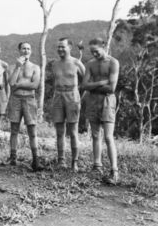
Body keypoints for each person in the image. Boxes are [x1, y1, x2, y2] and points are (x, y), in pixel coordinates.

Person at [82, 37, 120, 184]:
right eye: (92, 52)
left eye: (96, 51)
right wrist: (101, 82)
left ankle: (114, 171)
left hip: (107, 100)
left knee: (108, 137)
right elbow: (84, 85)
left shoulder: (113, 62)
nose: (94, 54)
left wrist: (93, 85)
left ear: (104, 46)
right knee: (96, 135)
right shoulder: (90, 64)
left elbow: (111, 88)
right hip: (93, 101)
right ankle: (97, 166)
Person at [50, 37, 85, 172]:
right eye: (58, 47)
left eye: (62, 47)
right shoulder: (54, 64)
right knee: (59, 132)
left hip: (72, 96)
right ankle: (61, 161)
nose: (60, 49)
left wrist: (80, 96)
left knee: (73, 132)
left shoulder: (77, 63)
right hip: (58, 96)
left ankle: (74, 163)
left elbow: (87, 80)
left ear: (69, 47)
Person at [7, 42, 43, 171]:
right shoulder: (12, 67)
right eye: (23, 49)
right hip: (15, 99)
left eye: (28, 49)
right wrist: (18, 67)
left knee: (32, 131)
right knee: (14, 130)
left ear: (31, 51)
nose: (26, 51)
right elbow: (11, 83)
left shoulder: (35, 67)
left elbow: (35, 85)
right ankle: (13, 158)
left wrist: (19, 84)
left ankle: (36, 160)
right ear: (19, 50)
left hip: (29, 99)